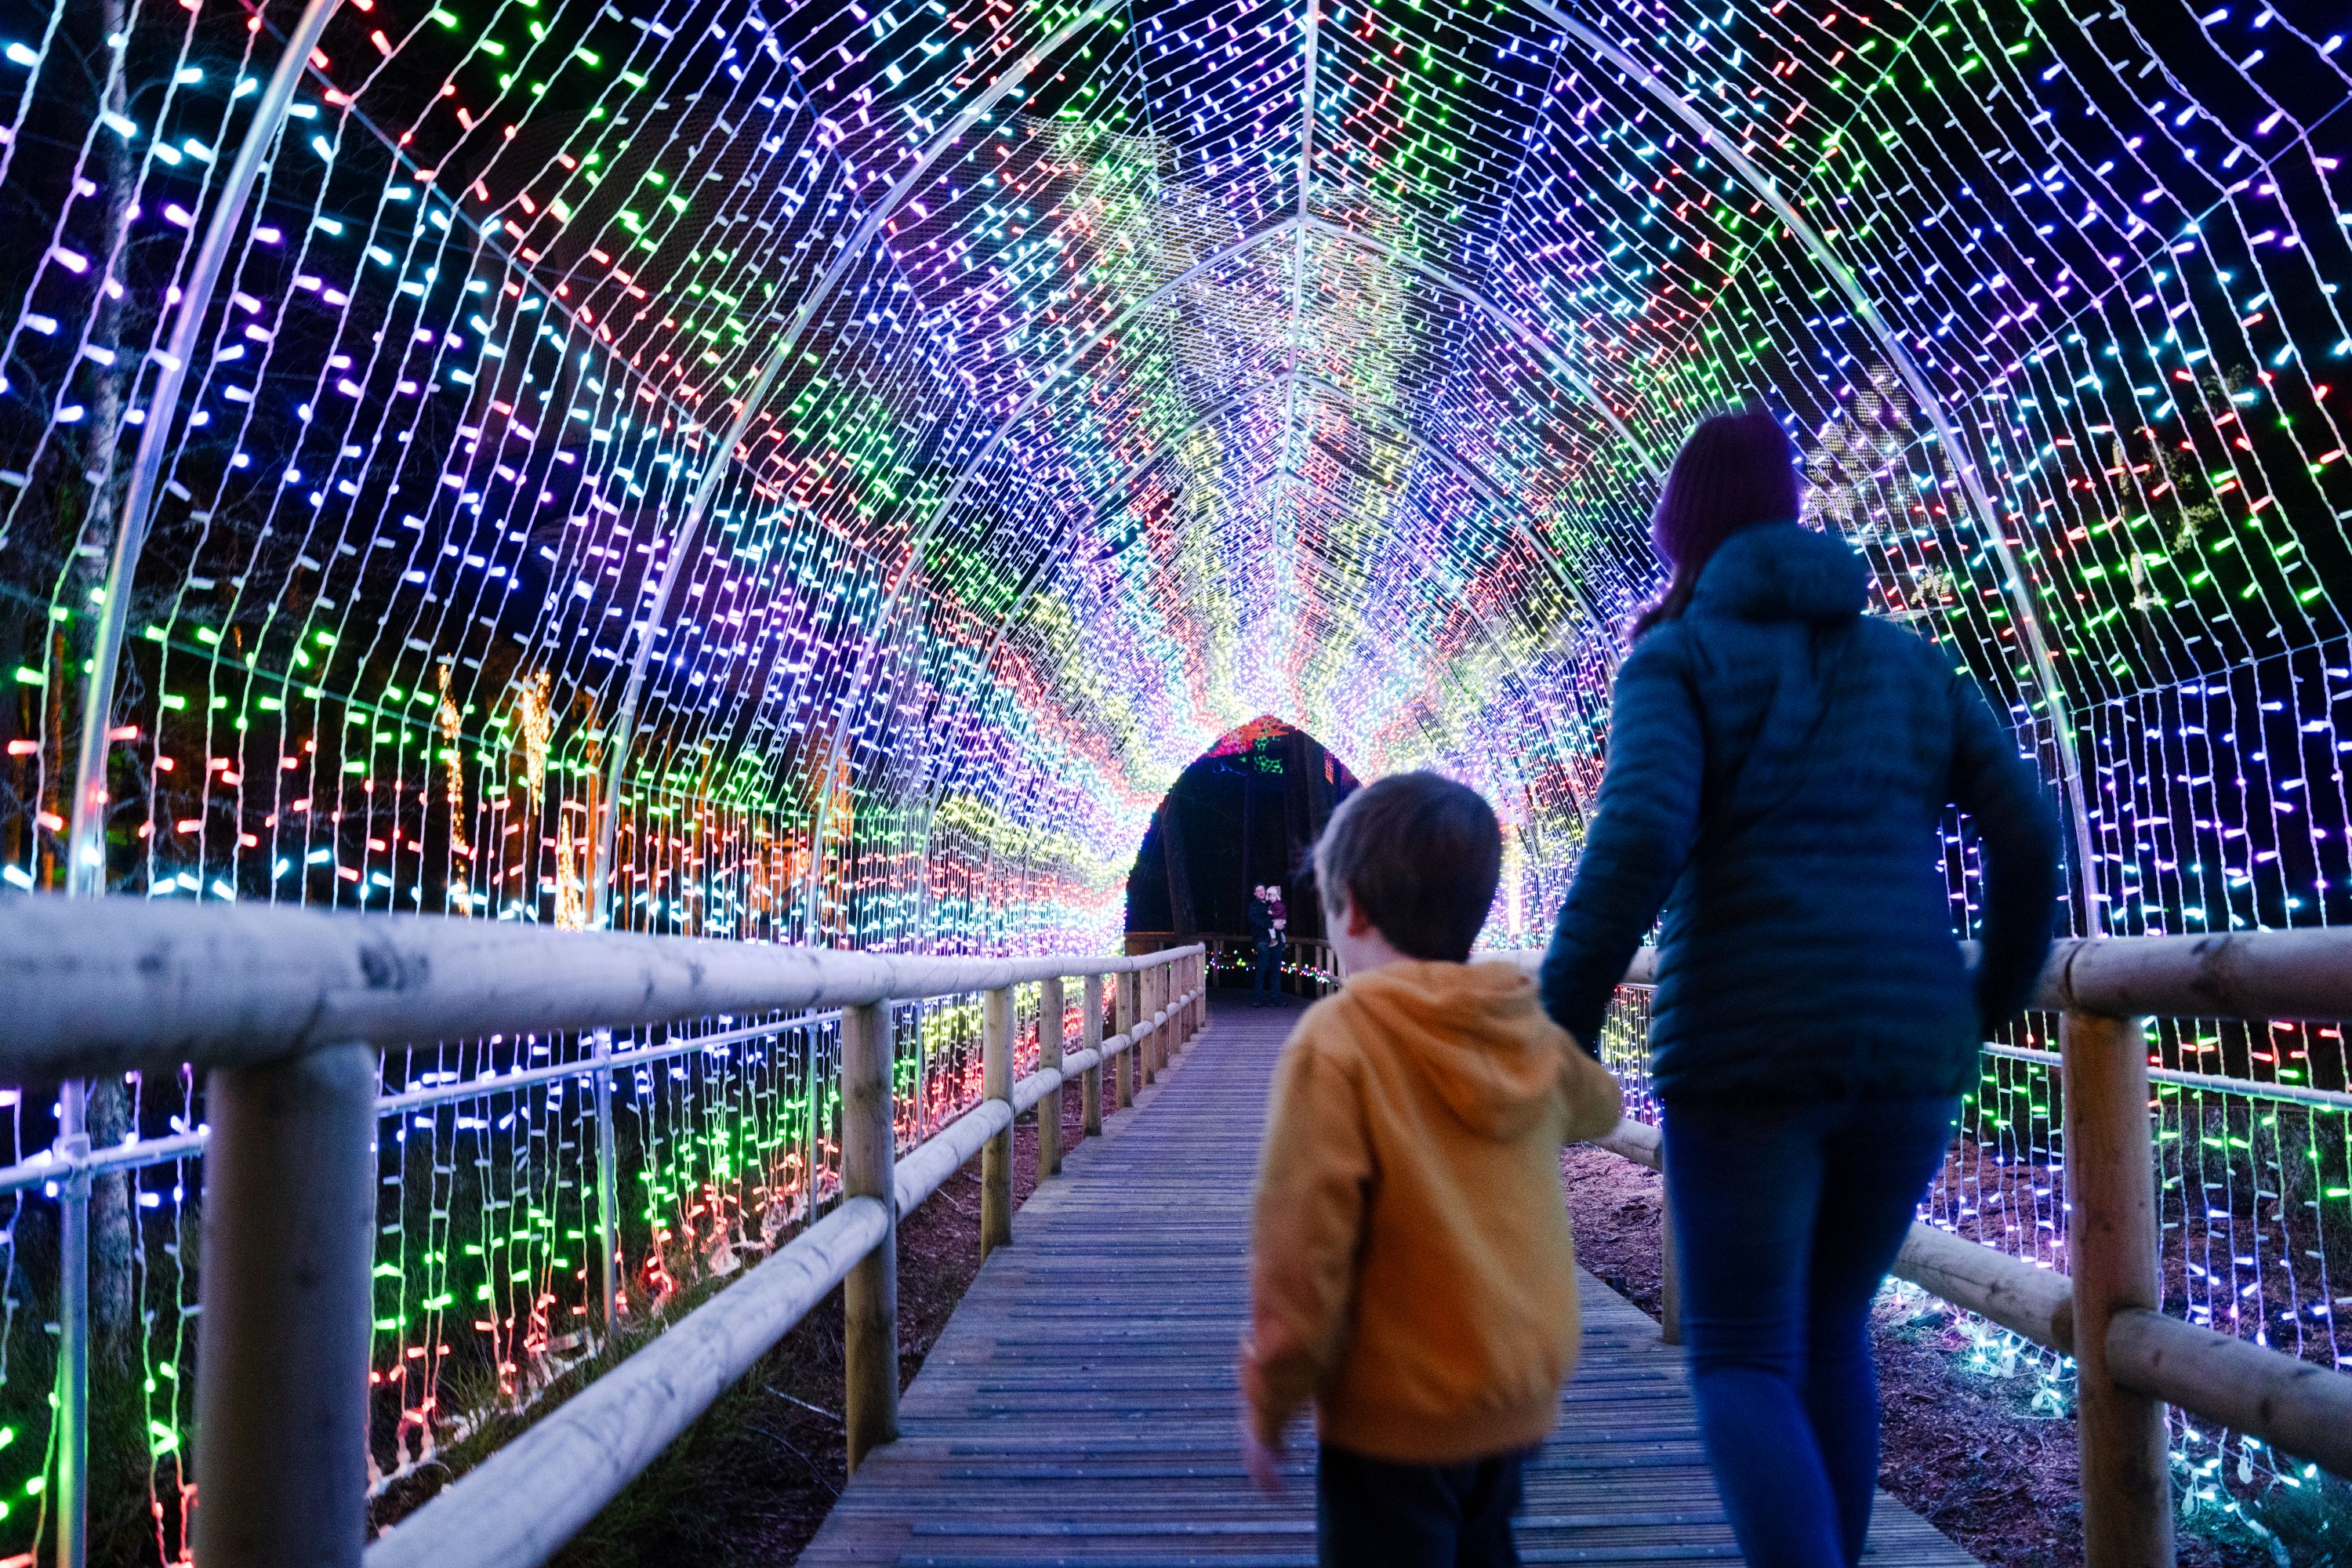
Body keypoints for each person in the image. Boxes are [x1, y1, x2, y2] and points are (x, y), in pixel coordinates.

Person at [1538, 409, 2059, 1568]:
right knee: (1831, 1327)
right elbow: (2028, 832)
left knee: (1740, 1353)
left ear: (1682, 525)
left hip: (1748, 1051)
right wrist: (1985, 1001)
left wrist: (1554, 1035)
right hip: (1911, 1054)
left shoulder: (1680, 657)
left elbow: (1636, 841)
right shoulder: (1911, 662)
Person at [1240, 771, 1624, 1567]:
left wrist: (1270, 1392)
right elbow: (1601, 1107)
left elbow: (1302, 1243)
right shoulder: (1520, 1020)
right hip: (1514, 1393)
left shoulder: (1338, 1041)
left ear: (1349, 907)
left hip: (1395, 1405)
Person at [1247, 883, 1282, 1006]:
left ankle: (1275, 999)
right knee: (1261, 970)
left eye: (1262, 889)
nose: (1261, 892)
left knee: (1276, 971)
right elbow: (1256, 921)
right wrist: (1272, 924)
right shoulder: (1253, 907)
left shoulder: (1272, 903)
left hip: (1276, 941)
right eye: (1258, 890)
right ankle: (1258, 999)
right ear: (1255, 894)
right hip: (1262, 941)